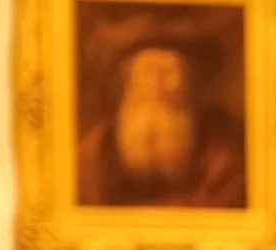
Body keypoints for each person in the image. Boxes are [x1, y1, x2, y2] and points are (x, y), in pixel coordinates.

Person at [77, 42, 247, 209]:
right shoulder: (98, 146)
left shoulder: (224, 139)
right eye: (148, 71)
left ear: (189, 79)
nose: (157, 82)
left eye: (170, 71)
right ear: (129, 81)